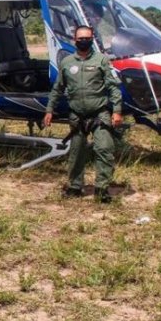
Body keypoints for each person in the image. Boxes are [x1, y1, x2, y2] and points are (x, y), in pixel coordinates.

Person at [43, 25, 124, 202]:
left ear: (92, 38)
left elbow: (113, 87)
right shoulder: (67, 63)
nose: (83, 41)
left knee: (104, 149)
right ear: (75, 40)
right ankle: (74, 187)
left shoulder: (101, 60)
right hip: (76, 116)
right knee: (76, 152)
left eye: (87, 38)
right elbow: (57, 89)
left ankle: (102, 189)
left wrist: (117, 111)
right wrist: (49, 110)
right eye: (80, 39)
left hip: (99, 113)